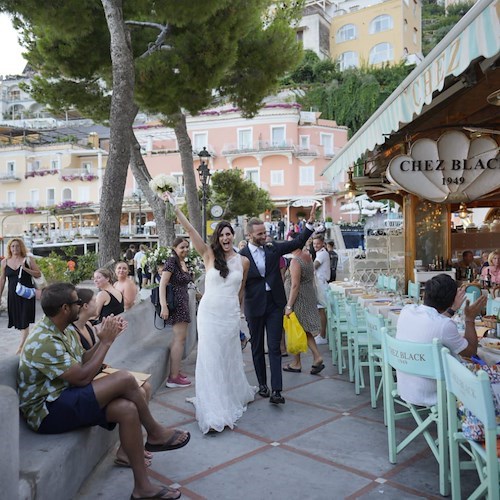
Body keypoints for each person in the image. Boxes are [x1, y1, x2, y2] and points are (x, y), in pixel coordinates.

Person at [18, 282, 189, 500]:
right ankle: (155, 432)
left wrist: (104, 340)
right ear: (64, 309)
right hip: (46, 411)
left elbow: (83, 361)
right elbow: (81, 378)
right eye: (77, 302)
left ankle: (142, 487)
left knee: (126, 409)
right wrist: (106, 344)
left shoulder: (63, 329)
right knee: (125, 379)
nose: (81, 305)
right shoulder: (44, 340)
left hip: (63, 396)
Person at [164, 192, 256, 434]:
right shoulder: (208, 255)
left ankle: (230, 393)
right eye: (222, 234)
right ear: (218, 237)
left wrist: (239, 317)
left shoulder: (243, 262)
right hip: (209, 314)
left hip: (229, 315)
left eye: (229, 234)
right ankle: (215, 406)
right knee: (211, 357)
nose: (225, 237)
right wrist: (175, 208)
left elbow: (241, 290)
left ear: (233, 236)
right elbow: (191, 230)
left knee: (227, 356)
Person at [240, 205, 318, 405]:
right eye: (260, 234)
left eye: (265, 232)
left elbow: (298, 241)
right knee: (257, 347)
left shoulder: (273, 248)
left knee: (274, 347)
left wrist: (309, 224)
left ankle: (276, 390)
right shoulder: (241, 256)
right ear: (249, 235)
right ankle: (262, 385)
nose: (264, 236)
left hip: (275, 305)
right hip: (254, 306)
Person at [73, 287, 154, 468]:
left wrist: (111, 334)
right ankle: (130, 449)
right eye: (94, 300)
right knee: (138, 391)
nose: (97, 302)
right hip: (88, 380)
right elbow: (84, 364)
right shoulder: (73, 332)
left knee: (146, 387)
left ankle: (129, 448)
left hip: (98, 373)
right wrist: (106, 340)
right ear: (85, 306)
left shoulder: (88, 326)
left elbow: (97, 353)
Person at [396, 274, 486, 406]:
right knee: (486, 376)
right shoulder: (444, 325)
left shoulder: (406, 310)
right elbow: (471, 352)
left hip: (406, 387)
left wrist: (452, 309)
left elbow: (435, 320)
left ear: (425, 294)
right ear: (451, 300)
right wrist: (469, 318)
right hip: (435, 392)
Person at [283, 236, 324, 375]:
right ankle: (314, 357)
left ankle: (297, 362)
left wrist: (289, 305)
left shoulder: (295, 261)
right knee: (304, 330)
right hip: (307, 296)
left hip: (298, 299)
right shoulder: (307, 257)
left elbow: (295, 285)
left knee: (296, 329)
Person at [159, 237, 193, 388]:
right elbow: (162, 284)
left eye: (187, 247)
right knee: (179, 339)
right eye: (182, 247)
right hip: (176, 305)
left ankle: (176, 371)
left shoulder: (182, 262)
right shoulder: (171, 261)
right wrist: (163, 305)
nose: (185, 250)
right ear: (174, 248)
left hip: (183, 303)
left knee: (179, 339)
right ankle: (173, 378)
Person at [0, 237, 42, 354]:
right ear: (9, 248)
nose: (15, 248)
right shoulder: (4, 262)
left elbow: (38, 274)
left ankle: (21, 347)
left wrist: (25, 269)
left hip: (26, 294)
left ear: (21, 247)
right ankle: (27, 342)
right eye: (12, 246)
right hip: (13, 295)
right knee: (19, 320)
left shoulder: (28, 259)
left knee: (24, 320)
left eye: (17, 246)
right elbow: (2, 280)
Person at [312, 234, 329, 345]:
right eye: (314, 244)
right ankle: (320, 333)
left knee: (321, 310)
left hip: (321, 284)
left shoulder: (322, 254)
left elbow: (314, 266)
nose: (315, 246)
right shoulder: (321, 253)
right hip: (320, 284)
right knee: (319, 310)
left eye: (318, 243)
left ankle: (322, 336)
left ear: (322, 243)